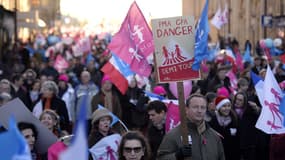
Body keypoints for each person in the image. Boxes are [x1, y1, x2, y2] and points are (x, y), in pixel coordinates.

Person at [157, 94, 225, 160]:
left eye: (203, 107)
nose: (199, 111)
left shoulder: (214, 136)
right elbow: (161, 157)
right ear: (186, 109)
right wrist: (176, 155)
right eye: (195, 107)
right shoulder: (173, 135)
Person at [209, 96, 240, 160]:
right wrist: (228, 132)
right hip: (219, 153)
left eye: (229, 106)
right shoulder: (214, 120)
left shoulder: (235, 118)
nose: (227, 108)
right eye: (224, 106)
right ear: (219, 107)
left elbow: (239, 135)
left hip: (233, 153)